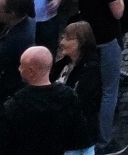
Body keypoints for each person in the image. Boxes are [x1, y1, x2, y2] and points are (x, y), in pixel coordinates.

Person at [75, 0, 128, 155]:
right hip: (107, 37)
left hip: (88, 35)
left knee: (92, 87)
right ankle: (104, 140)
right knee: (110, 90)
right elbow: (118, 12)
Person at [0, 44, 87, 155]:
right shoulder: (68, 97)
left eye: (21, 66)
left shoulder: (15, 106)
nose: (19, 69)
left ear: (31, 71)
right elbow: (79, 138)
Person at [53, 21, 104, 155]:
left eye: (68, 38)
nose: (62, 42)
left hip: (80, 133)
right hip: (66, 133)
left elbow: (82, 100)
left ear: (81, 43)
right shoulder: (63, 64)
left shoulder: (90, 69)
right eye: (63, 37)